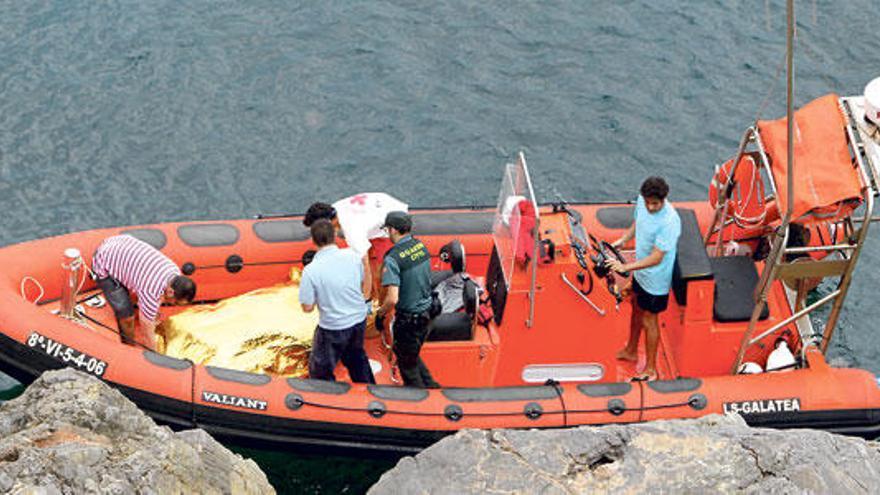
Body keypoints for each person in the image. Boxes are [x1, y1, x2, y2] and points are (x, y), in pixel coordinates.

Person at [606, 177, 681, 381]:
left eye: (654, 203)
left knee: (650, 319)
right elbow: (638, 222)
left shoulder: (670, 221)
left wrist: (625, 267)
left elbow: (657, 258)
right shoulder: (643, 202)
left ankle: (650, 369)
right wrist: (624, 239)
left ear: (663, 200)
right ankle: (631, 350)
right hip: (641, 272)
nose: (650, 206)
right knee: (636, 307)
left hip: (657, 279)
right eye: (647, 202)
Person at [299, 219, 375, 383]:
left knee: (320, 370)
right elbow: (363, 280)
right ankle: (370, 393)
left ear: (313, 241)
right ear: (334, 236)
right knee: (357, 359)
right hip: (358, 320)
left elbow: (307, 307)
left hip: (333, 327)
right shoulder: (353, 257)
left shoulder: (311, 271)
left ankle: (327, 400)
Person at [92, 234, 196, 350]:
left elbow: (160, 295)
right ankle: (128, 347)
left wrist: (153, 312)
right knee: (127, 317)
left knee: (147, 307)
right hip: (104, 262)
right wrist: (155, 357)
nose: (173, 304)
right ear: (171, 292)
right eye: (175, 302)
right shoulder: (151, 292)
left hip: (117, 242)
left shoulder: (174, 271)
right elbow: (147, 333)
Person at [376, 211, 440, 388]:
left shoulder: (393, 258)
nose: (387, 233)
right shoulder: (420, 246)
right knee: (410, 355)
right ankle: (432, 387)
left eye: (388, 229)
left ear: (394, 230)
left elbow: (392, 299)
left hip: (410, 320)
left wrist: (380, 314)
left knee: (408, 367)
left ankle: (421, 402)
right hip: (428, 314)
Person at [303, 193, 408, 299]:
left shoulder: (352, 230)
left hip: (394, 219)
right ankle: (373, 294)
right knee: (369, 261)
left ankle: (385, 307)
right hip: (381, 206)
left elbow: (365, 267)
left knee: (381, 273)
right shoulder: (334, 209)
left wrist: (366, 300)